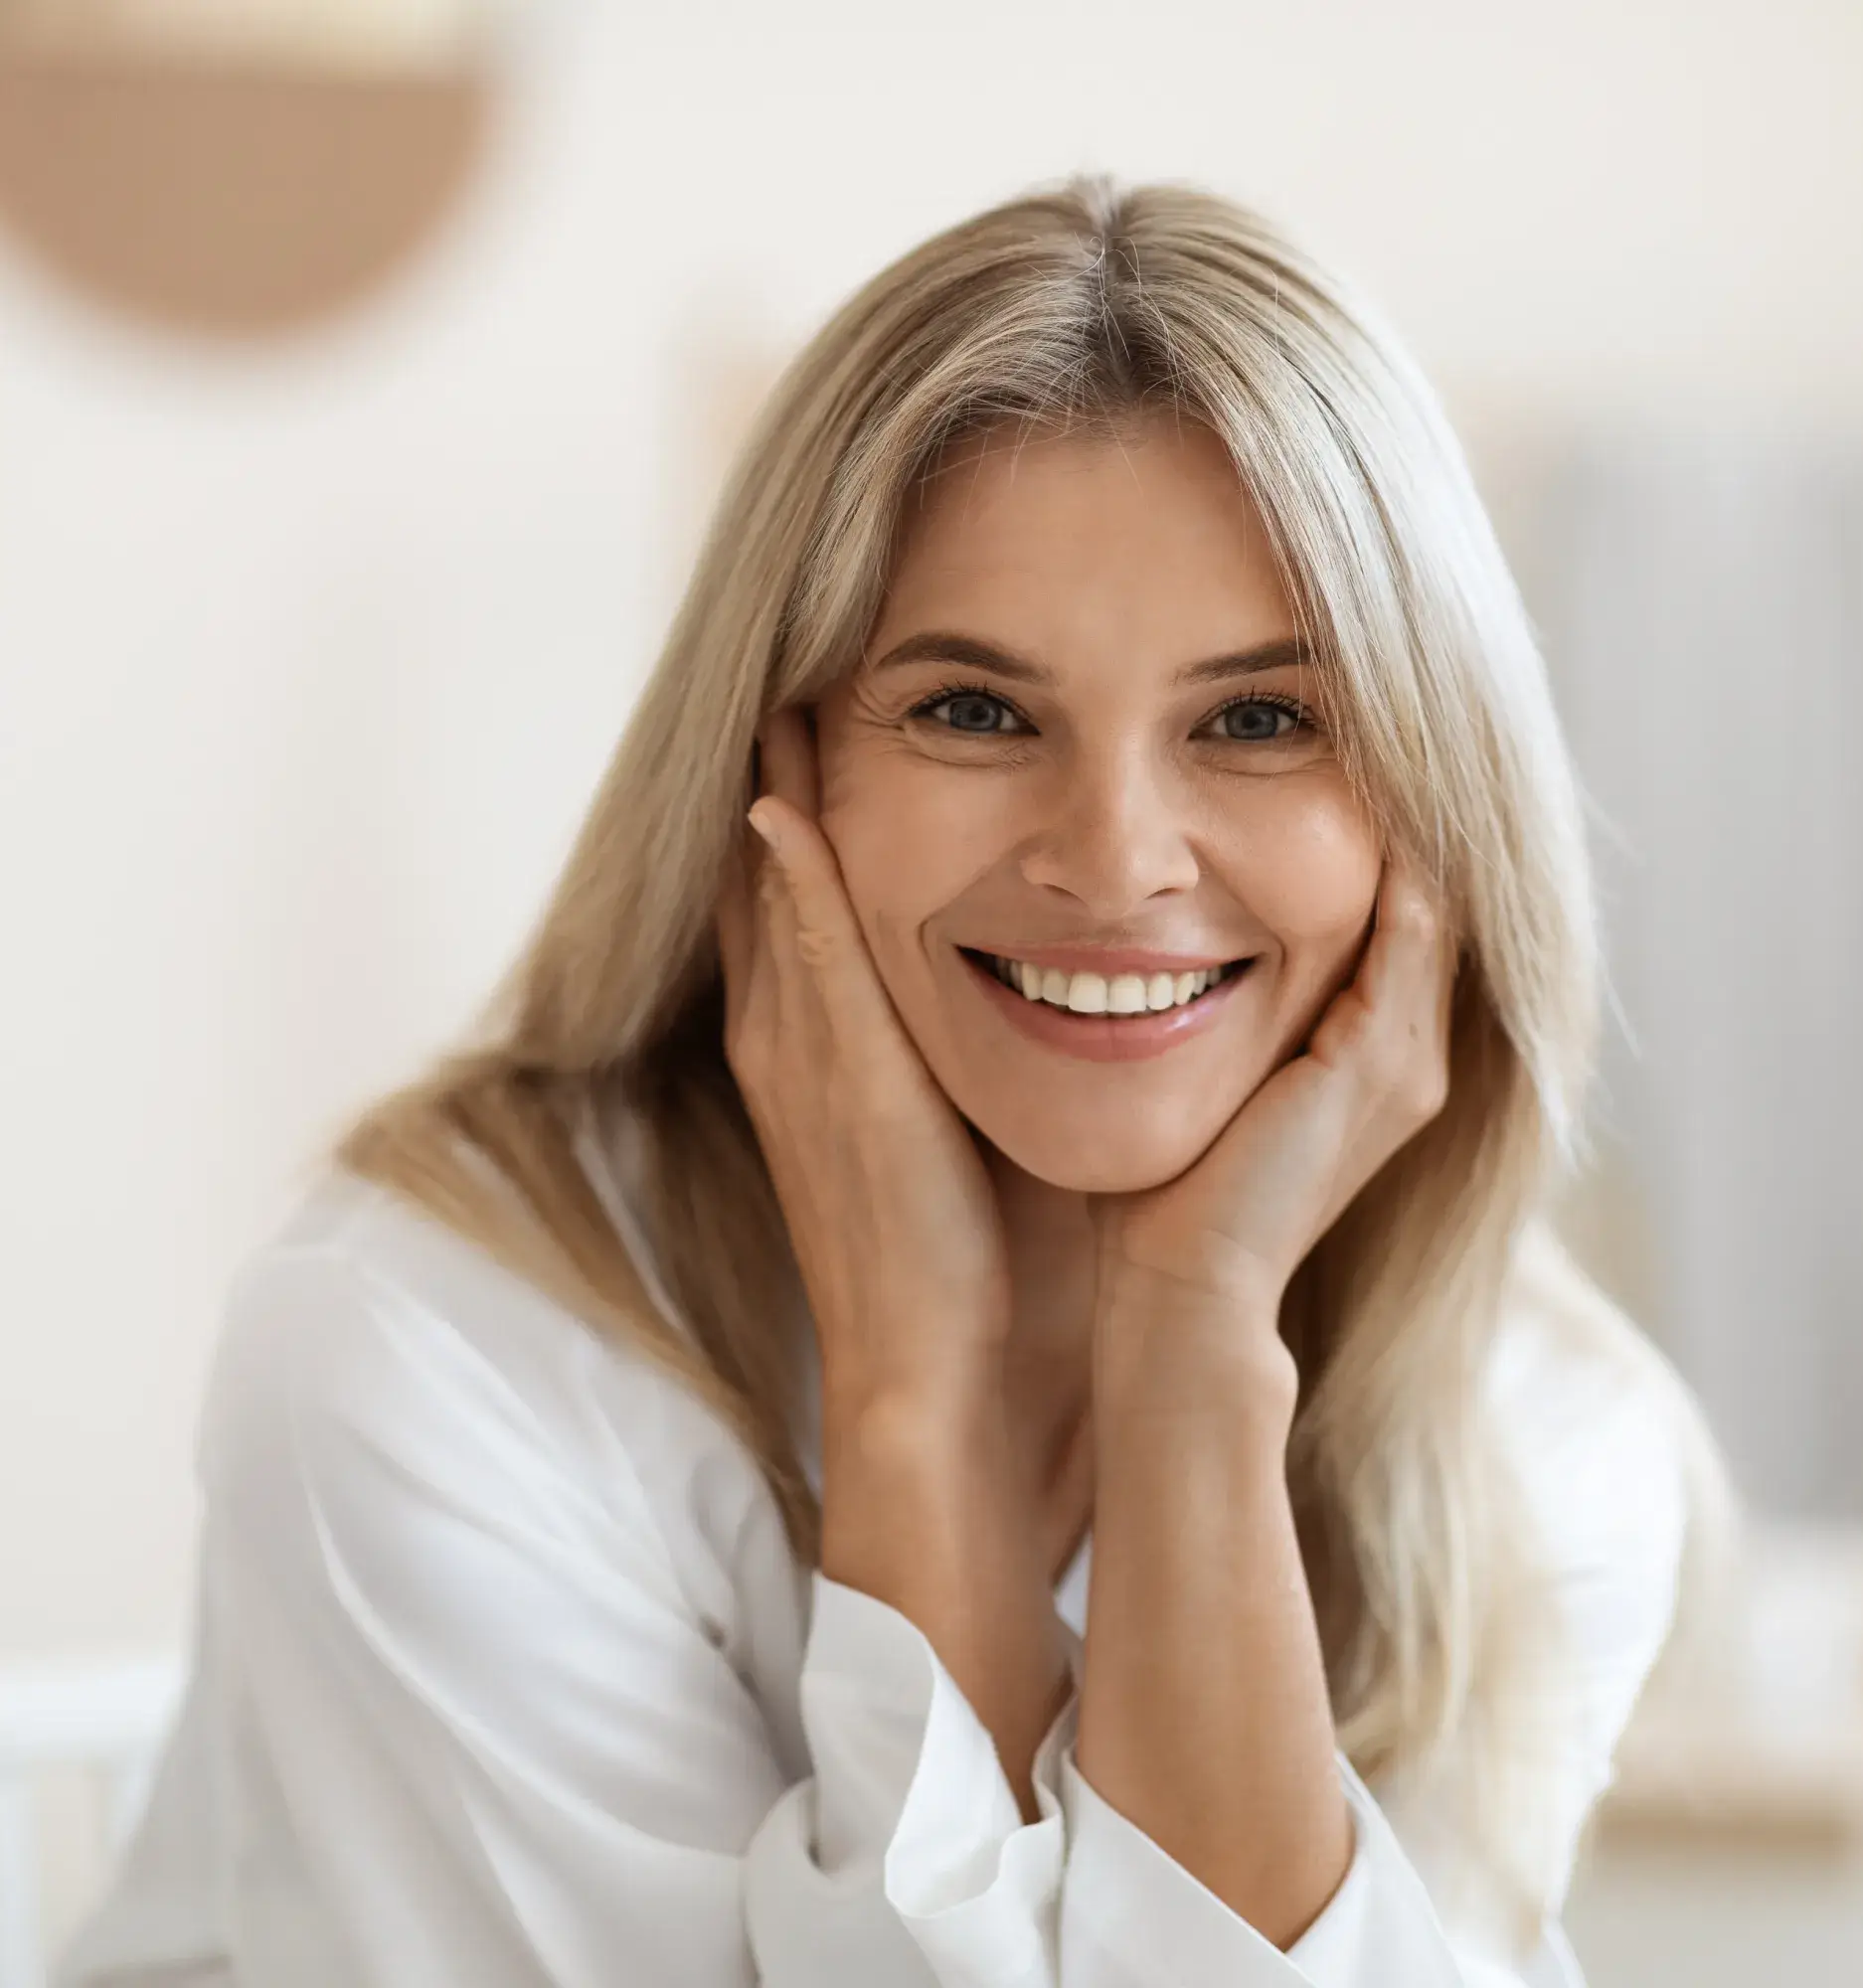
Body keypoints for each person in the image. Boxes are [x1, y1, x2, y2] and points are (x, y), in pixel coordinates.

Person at [59, 177, 1733, 1988]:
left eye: (1259, 720)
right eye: (973, 710)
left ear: (1431, 804)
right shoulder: (432, 1366)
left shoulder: (1534, 1446)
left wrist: (1193, 1361)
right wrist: (911, 1391)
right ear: (774, 774)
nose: (1115, 860)